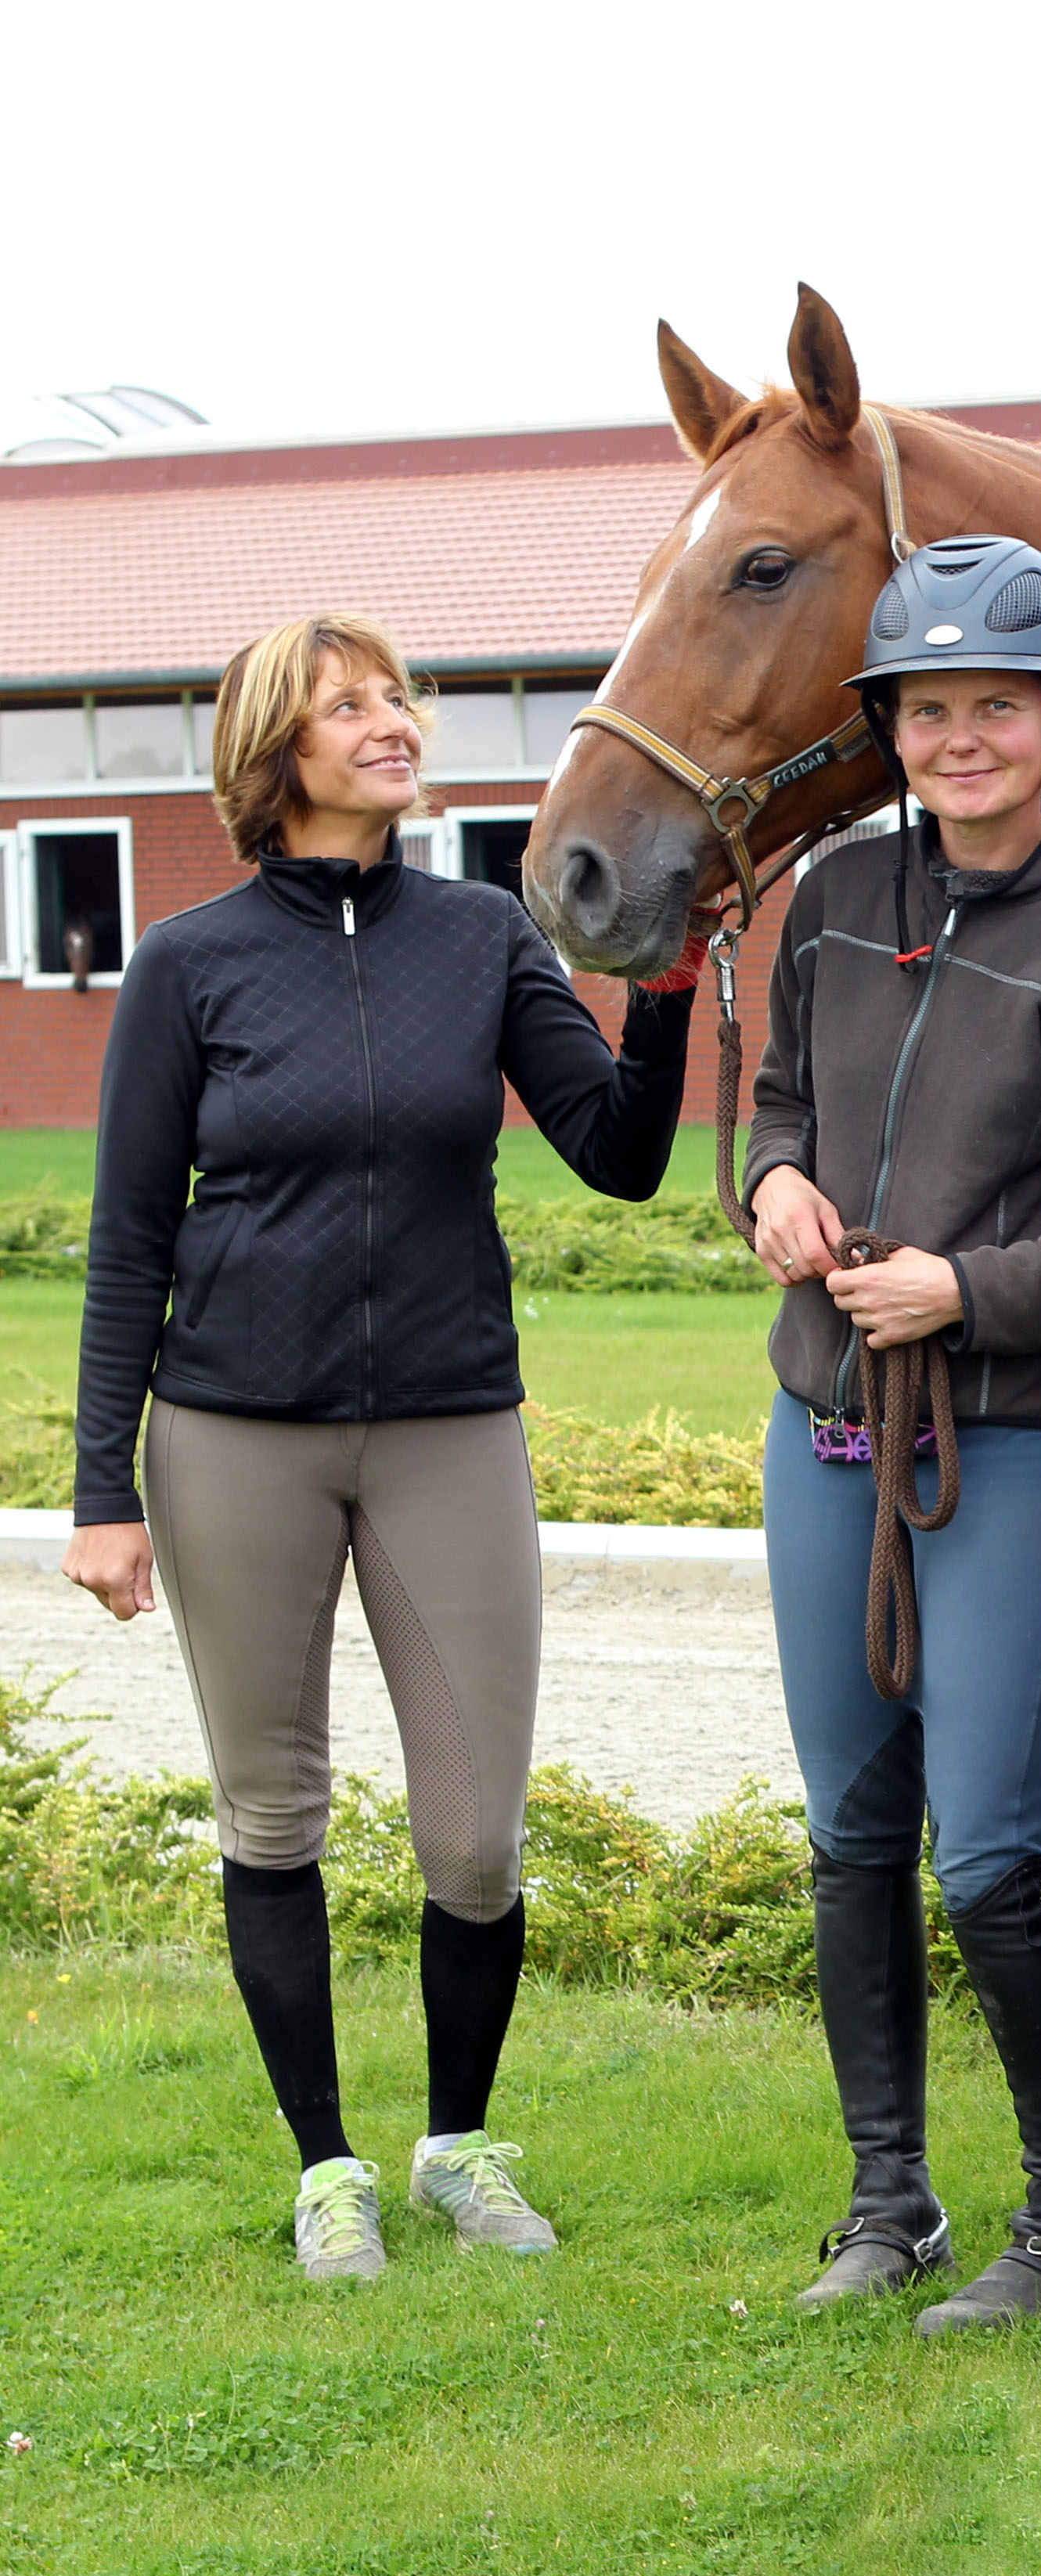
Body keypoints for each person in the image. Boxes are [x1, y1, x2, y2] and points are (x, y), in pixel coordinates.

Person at [62, 612, 701, 2281]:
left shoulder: (482, 934)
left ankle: (459, 2148)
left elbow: (619, 1155)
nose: (394, 724)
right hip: (230, 1439)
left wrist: (672, 982)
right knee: (272, 1814)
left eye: (397, 697)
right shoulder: (189, 964)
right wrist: (100, 1493)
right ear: (280, 754)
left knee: (476, 1831)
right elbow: (131, 1236)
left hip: (448, 1428)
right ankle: (327, 2166)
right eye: (351, 707)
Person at [743, 537, 1041, 2333]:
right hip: (824, 1437)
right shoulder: (835, 900)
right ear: (892, 726)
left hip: (1007, 1450)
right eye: (930, 710)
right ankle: (888, 2205)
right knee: (853, 1838)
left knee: (988, 1854)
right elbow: (778, 1100)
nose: (962, 738)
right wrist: (773, 1184)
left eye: (997, 705)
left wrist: (967, 1293)